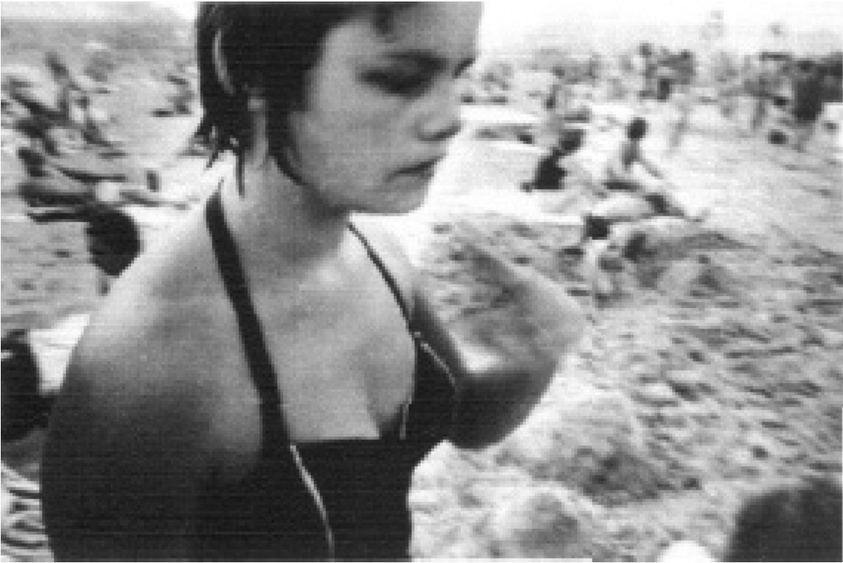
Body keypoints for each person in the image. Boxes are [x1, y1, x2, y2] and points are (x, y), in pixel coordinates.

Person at [41, 4, 585, 561]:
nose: (451, 117)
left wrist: (535, 353)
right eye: (399, 78)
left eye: (457, 75)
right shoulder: (150, 364)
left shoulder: (376, 253)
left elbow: (464, 417)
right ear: (249, 68)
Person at [790, 58, 825, 154]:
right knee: (808, 130)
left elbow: (797, 93)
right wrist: (819, 109)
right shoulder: (819, 84)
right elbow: (819, 99)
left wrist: (794, 105)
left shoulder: (800, 80)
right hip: (809, 109)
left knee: (799, 127)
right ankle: (799, 145)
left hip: (800, 107)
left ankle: (797, 144)